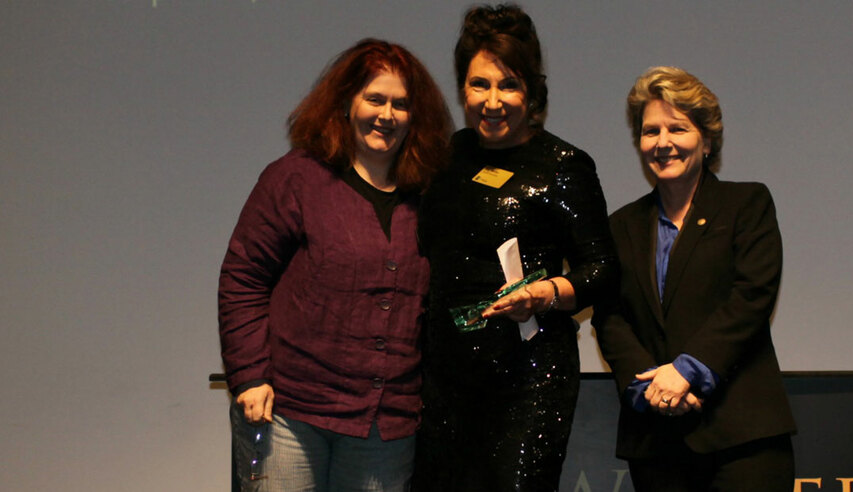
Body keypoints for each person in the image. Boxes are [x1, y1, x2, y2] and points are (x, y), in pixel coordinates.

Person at [218, 38, 451, 491]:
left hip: (385, 426)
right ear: (346, 102)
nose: (387, 114)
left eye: (401, 105)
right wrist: (248, 376)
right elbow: (243, 279)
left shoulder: (431, 196)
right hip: (290, 411)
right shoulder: (296, 178)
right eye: (375, 99)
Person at [414, 4, 619, 491]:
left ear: (532, 89)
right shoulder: (443, 158)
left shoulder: (563, 165)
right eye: (479, 83)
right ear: (462, 86)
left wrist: (545, 292)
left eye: (508, 84)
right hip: (443, 380)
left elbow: (604, 270)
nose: (493, 100)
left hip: (528, 381)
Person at [592, 66, 797, 491]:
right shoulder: (620, 226)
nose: (662, 143)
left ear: (706, 139)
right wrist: (650, 385)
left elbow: (751, 297)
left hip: (743, 435)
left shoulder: (747, 204)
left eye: (677, 128)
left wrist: (686, 372)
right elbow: (610, 317)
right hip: (656, 442)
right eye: (650, 131)